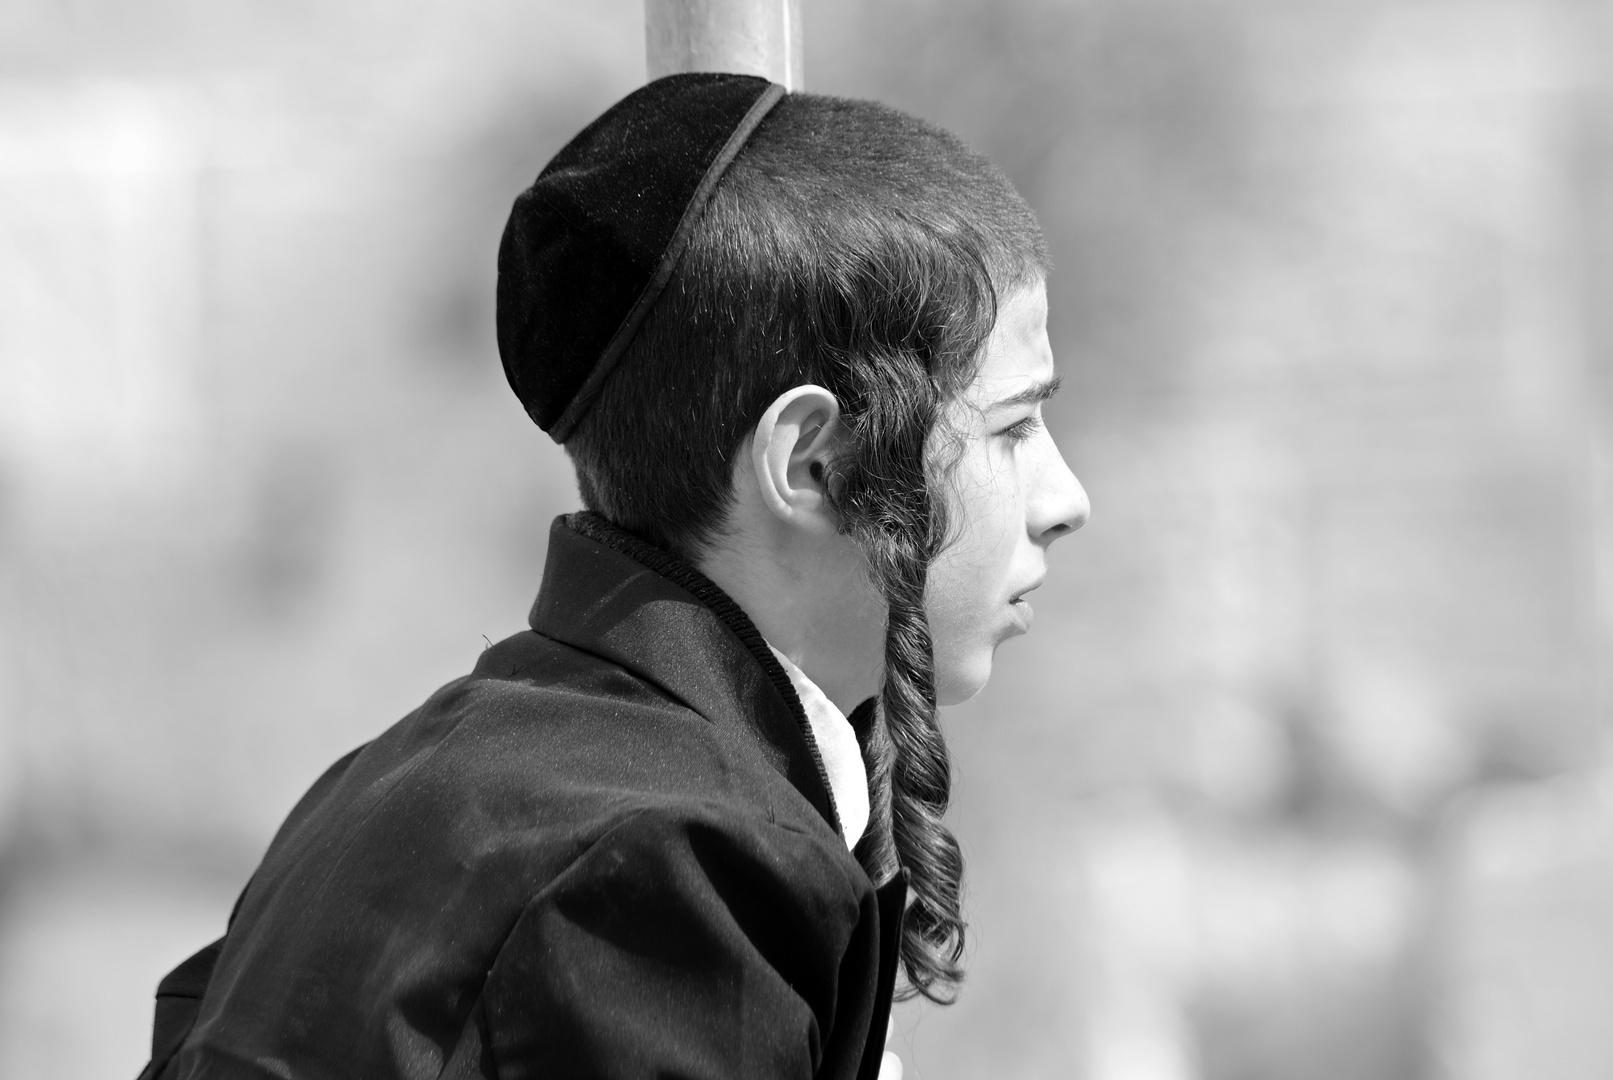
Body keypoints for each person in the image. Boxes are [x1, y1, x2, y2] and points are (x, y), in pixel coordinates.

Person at [137, 73, 1088, 1080]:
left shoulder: (402, 777)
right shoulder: (670, 860)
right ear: (813, 463)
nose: (1064, 498)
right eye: (1014, 426)